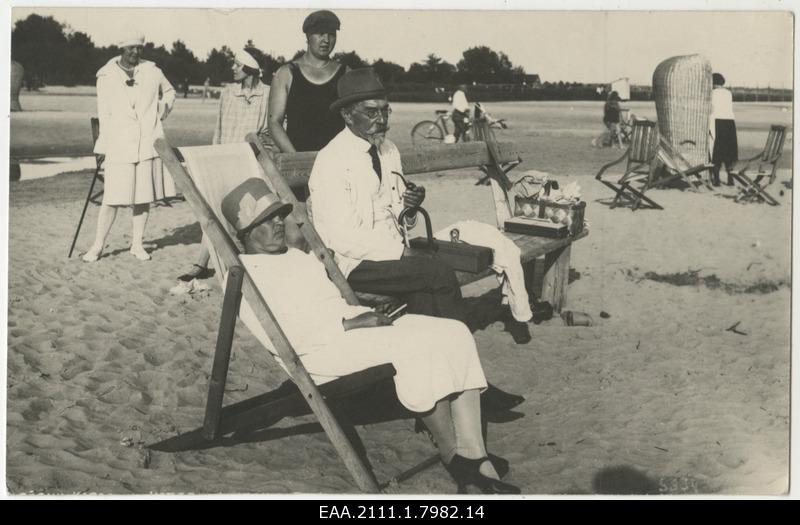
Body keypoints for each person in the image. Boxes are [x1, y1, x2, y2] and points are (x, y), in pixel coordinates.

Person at [221, 177, 520, 494]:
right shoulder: (244, 276)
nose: (279, 223)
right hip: (320, 353)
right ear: (245, 233)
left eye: (279, 215)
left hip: (351, 329)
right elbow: (287, 340)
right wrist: (349, 325)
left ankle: (474, 455)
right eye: (267, 220)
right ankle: (455, 458)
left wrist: (356, 319)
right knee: (415, 347)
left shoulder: (293, 256)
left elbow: (328, 302)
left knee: (454, 332)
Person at [310, 68, 536, 331]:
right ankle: (454, 348)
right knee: (436, 272)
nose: (381, 120)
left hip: (391, 255)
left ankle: (429, 354)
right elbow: (341, 238)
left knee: (427, 285)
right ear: (347, 115)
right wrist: (402, 253)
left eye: (385, 111)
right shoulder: (332, 160)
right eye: (372, 112)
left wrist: (409, 205)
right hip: (353, 263)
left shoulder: (388, 149)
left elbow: (397, 217)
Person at [178, 47, 282, 282]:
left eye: (237, 65)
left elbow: (275, 127)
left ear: (249, 68)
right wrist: (212, 159)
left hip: (252, 163)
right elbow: (219, 130)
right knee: (214, 209)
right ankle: (201, 263)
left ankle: (256, 263)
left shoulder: (268, 94)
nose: (233, 68)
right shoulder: (228, 93)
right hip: (224, 161)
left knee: (256, 214)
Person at [82, 31, 175, 262]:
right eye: (131, 48)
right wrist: (102, 147)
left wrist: (161, 110)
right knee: (112, 198)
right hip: (118, 143)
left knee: (143, 196)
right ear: (121, 48)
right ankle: (98, 245)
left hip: (147, 140)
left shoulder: (153, 71)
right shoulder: (106, 75)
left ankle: (137, 244)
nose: (135, 52)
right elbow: (104, 112)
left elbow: (170, 91)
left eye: (139, 48)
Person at [268, 10, 347, 154]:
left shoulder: (346, 73)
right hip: (297, 161)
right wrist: (296, 159)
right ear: (308, 36)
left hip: (338, 162)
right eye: (320, 33)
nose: (326, 40)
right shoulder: (286, 73)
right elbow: (274, 122)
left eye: (331, 34)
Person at [709, 72, 738, 186]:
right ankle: (730, 178)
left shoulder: (711, 93)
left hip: (717, 122)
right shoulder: (728, 93)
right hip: (730, 122)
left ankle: (716, 179)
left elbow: (710, 109)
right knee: (729, 151)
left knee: (716, 150)